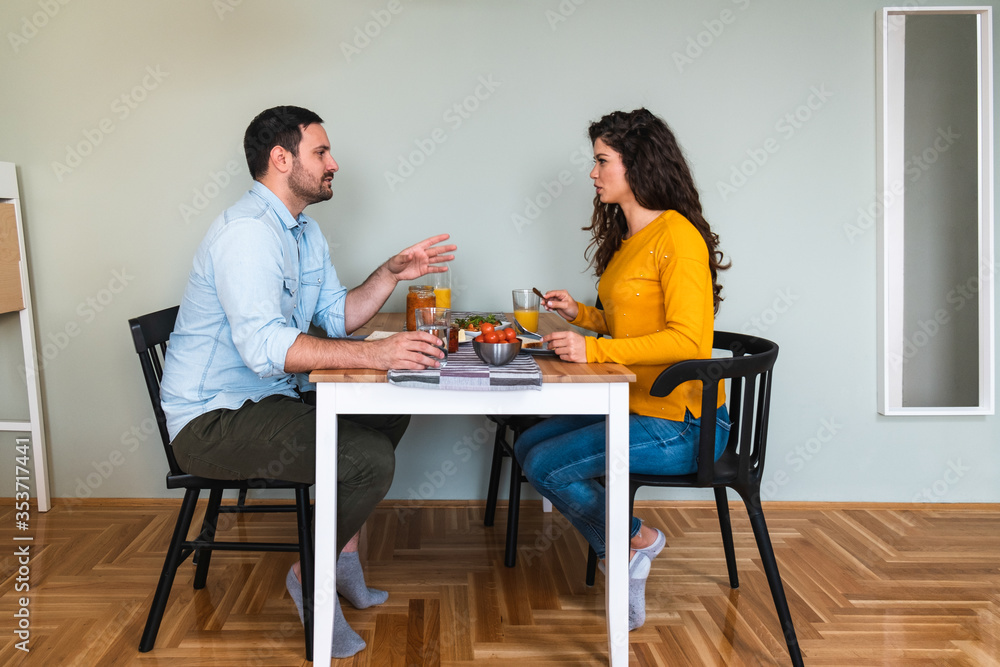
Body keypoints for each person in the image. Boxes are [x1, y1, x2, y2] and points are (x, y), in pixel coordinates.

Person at [159, 105, 454, 657]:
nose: (333, 162)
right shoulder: (247, 236)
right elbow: (266, 347)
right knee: (368, 459)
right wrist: (380, 354)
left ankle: (340, 558)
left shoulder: (302, 232)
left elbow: (337, 316)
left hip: (266, 400)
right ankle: (310, 578)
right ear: (281, 158)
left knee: (390, 409)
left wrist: (390, 273)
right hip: (213, 421)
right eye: (321, 152)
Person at [514, 108, 731, 631]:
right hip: (633, 404)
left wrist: (594, 350)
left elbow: (686, 339)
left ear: (637, 164)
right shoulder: (631, 239)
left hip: (685, 424)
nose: (592, 173)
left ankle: (631, 543)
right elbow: (628, 321)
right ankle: (634, 542)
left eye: (601, 160)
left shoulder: (679, 238)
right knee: (526, 447)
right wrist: (583, 316)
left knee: (547, 466)